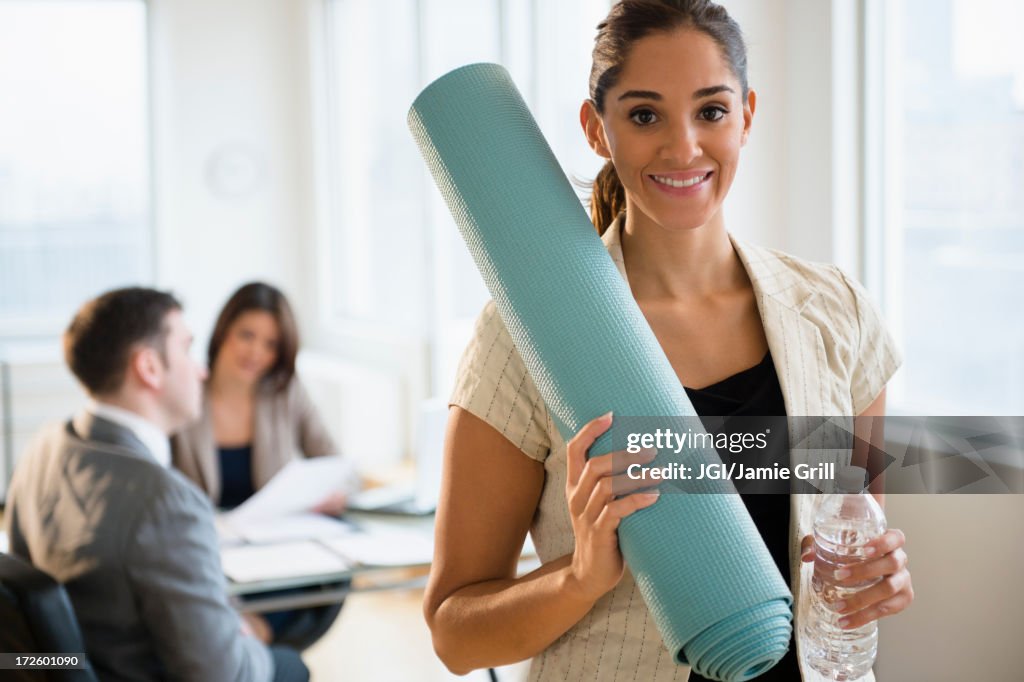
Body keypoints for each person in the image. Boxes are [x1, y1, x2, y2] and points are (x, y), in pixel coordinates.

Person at [423, 1, 914, 680]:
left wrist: (873, 577)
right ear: (597, 128)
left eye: (710, 111)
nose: (683, 147)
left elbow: (850, 539)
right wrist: (581, 577)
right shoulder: (523, 339)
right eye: (645, 114)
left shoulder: (837, 315)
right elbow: (455, 635)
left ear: (746, 115)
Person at [4, 287, 309, 682]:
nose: (201, 369)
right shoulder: (165, 502)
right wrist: (246, 636)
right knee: (289, 666)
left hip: (69, 667)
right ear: (148, 367)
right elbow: (224, 675)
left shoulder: (44, 445)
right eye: (186, 349)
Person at [172, 281, 348, 648]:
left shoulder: (285, 392)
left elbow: (331, 460)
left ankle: (255, 641)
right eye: (247, 336)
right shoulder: (187, 391)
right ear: (223, 332)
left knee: (334, 577)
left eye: (271, 345)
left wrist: (330, 493)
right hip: (207, 548)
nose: (257, 352)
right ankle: (255, 651)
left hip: (270, 543)